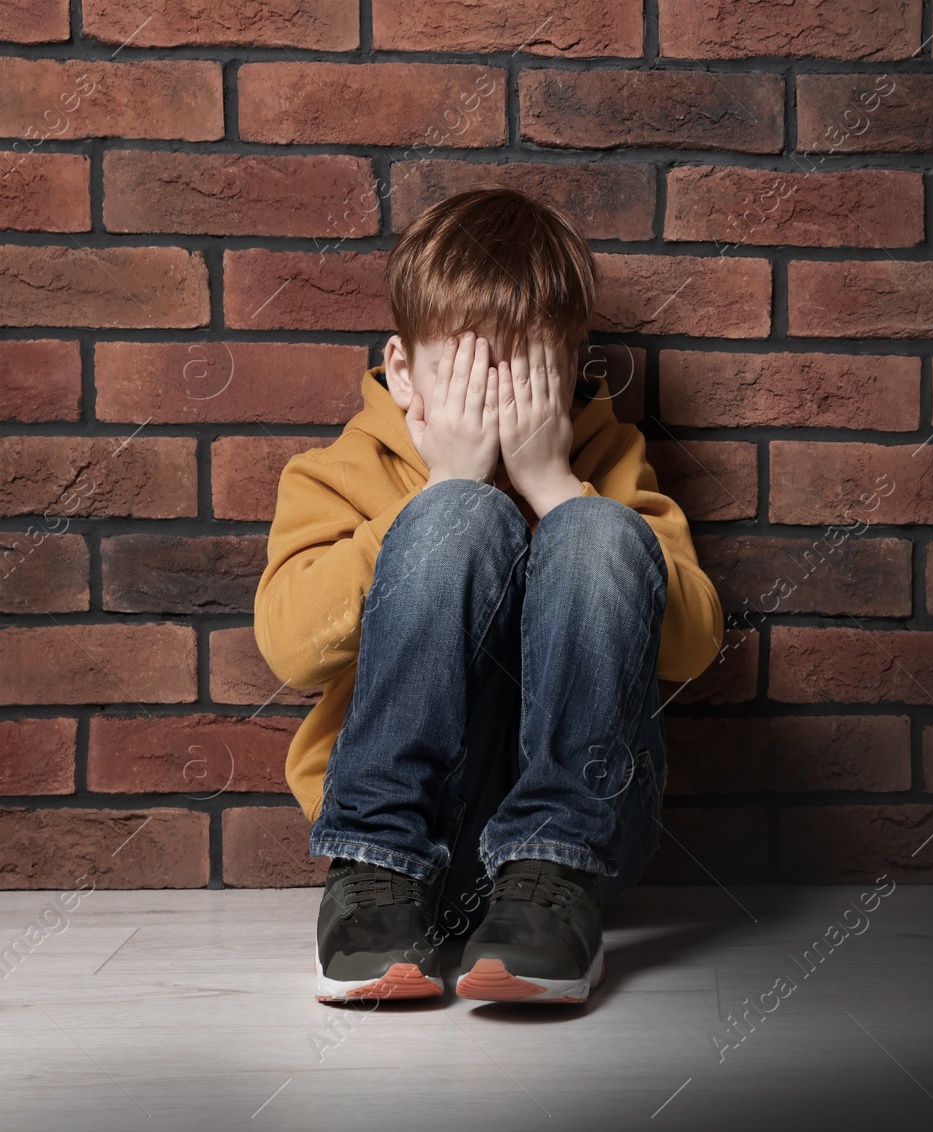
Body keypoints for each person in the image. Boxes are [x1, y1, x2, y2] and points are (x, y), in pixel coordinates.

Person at [253, 188, 724, 1005]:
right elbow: (291, 649)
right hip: (414, 834)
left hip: (582, 839)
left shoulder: (611, 460)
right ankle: (371, 874)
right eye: (470, 375)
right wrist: (441, 494)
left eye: (527, 374)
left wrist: (557, 488)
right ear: (402, 373)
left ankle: (549, 882)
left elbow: (692, 645)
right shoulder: (340, 471)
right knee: (456, 517)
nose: (498, 405)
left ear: (572, 372)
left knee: (601, 533)